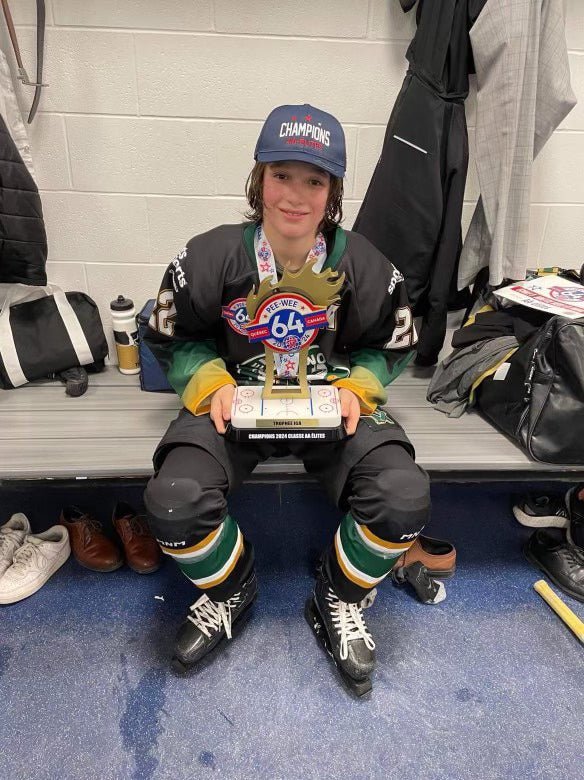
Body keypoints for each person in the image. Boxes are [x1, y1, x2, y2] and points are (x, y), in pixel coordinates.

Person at [143, 103, 430, 694]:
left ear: (334, 190)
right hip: (238, 403)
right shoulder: (210, 256)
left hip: (328, 405)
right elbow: (172, 336)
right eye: (282, 175)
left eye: (315, 180)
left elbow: (396, 343)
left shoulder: (365, 264)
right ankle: (232, 589)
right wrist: (209, 381)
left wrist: (358, 385)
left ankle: (338, 593)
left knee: (404, 498)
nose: (295, 196)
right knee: (174, 503)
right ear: (258, 179)